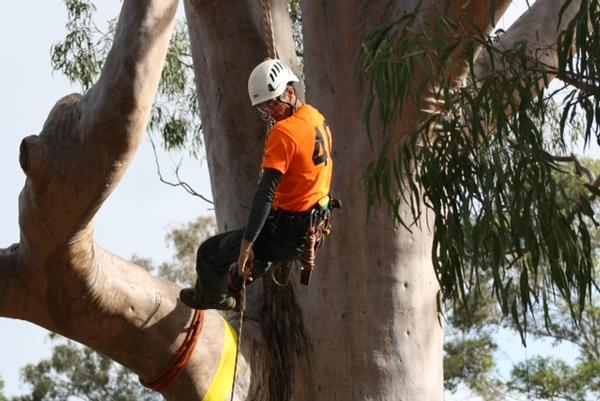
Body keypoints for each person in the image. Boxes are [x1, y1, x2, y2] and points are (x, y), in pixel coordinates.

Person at [180, 58, 334, 311]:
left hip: (287, 233)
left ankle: (212, 298)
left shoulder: (284, 132)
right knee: (261, 253)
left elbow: (265, 193)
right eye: (263, 108)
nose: (270, 113)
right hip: (313, 229)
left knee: (209, 253)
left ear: (290, 92)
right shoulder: (316, 118)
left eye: (273, 104)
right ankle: (232, 285)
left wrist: (246, 246)